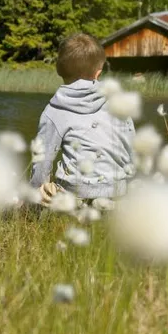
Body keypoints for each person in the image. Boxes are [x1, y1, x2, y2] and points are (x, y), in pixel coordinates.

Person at [31, 33, 134, 205]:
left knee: (33, 193)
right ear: (98, 73)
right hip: (118, 192)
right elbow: (131, 150)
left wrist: (34, 196)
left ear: (58, 69)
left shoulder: (54, 110)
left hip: (74, 195)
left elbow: (42, 161)